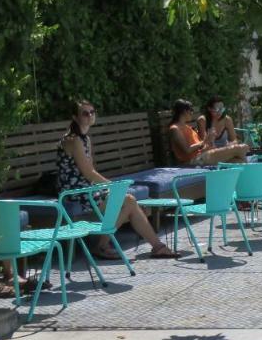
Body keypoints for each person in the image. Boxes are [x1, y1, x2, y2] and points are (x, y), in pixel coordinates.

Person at [57, 100, 179, 259]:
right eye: (85, 113)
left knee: (129, 201)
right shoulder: (73, 140)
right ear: (75, 117)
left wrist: (110, 187)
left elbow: (90, 172)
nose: (90, 116)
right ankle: (105, 245)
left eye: (92, 112)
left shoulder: (85, 139)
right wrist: (112, 185)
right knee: (128, 200)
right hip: (76, 192)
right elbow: (89, 173)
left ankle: (156, 246)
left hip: (87, 188)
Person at [169, 99, 249, 166]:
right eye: (191, 110)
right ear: (184, 111)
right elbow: (187, 150)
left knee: (238, 161)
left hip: (202, 155)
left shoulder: (187, 127)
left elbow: (201, 147)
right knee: (241, 148)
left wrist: (210, 141)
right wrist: (204, 141)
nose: (192, 113)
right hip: (193, 161)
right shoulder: (175, 129)